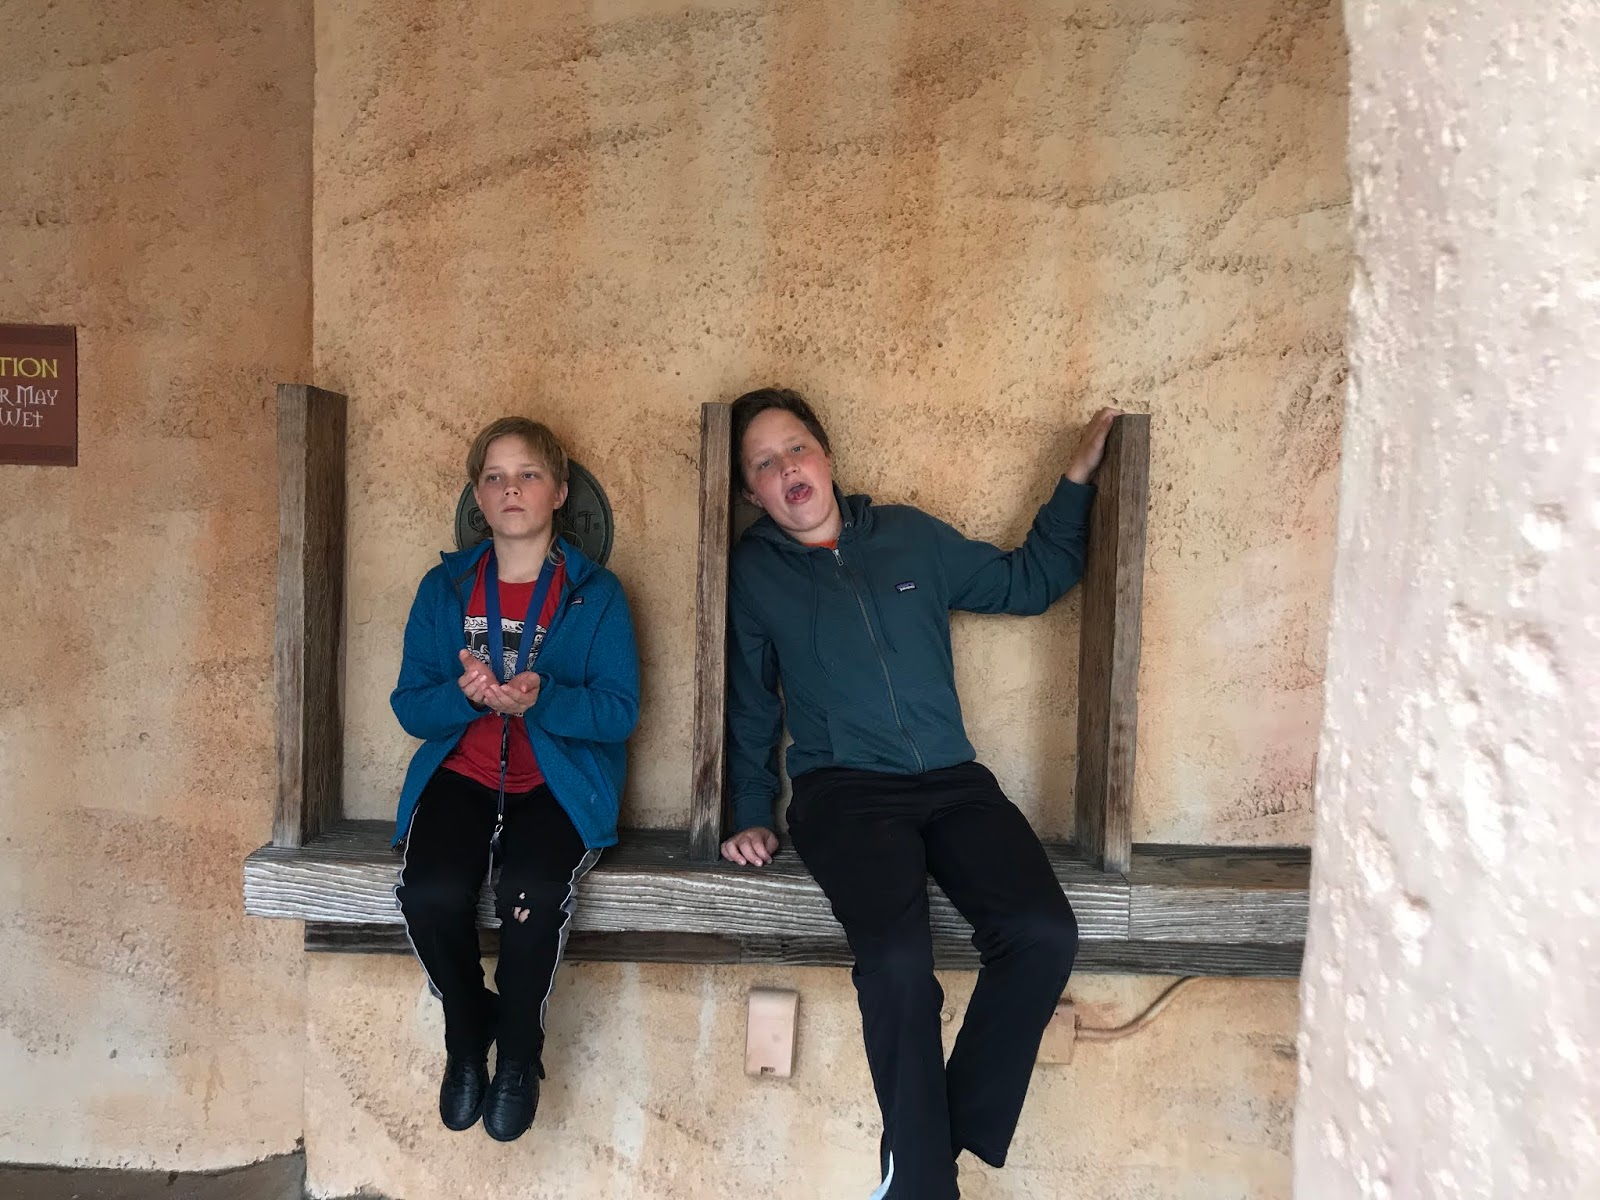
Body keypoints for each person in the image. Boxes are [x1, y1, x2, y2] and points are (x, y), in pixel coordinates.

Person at [720, 388, 1121, 1198]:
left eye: (795, 447)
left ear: (826, 457)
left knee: (1043, 932)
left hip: (952, 781)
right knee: (898, 961)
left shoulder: (908, 536)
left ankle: (922, 1150)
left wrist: (1076, 479)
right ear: (752, 493)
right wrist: (750, 811)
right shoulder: (755, 573)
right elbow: (752, 702)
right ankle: (924, 1179)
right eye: (762, 463)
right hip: (844, 794)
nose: (785, 467)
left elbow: (1031, 581)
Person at [389, 416, 640, 1141]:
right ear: (477, 496)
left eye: (529, 474)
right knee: (430, 894)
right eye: (495, 477)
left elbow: (619, 712)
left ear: (559, 491)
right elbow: (410, 705)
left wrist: (544, 700)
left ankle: (520, 1054)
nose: (512, 489)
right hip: (464, 776)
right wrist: (462, 697)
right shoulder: (445, 589)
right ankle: (468, 1034)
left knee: (531, 897)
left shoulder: (596, 594)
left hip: (554, 784)